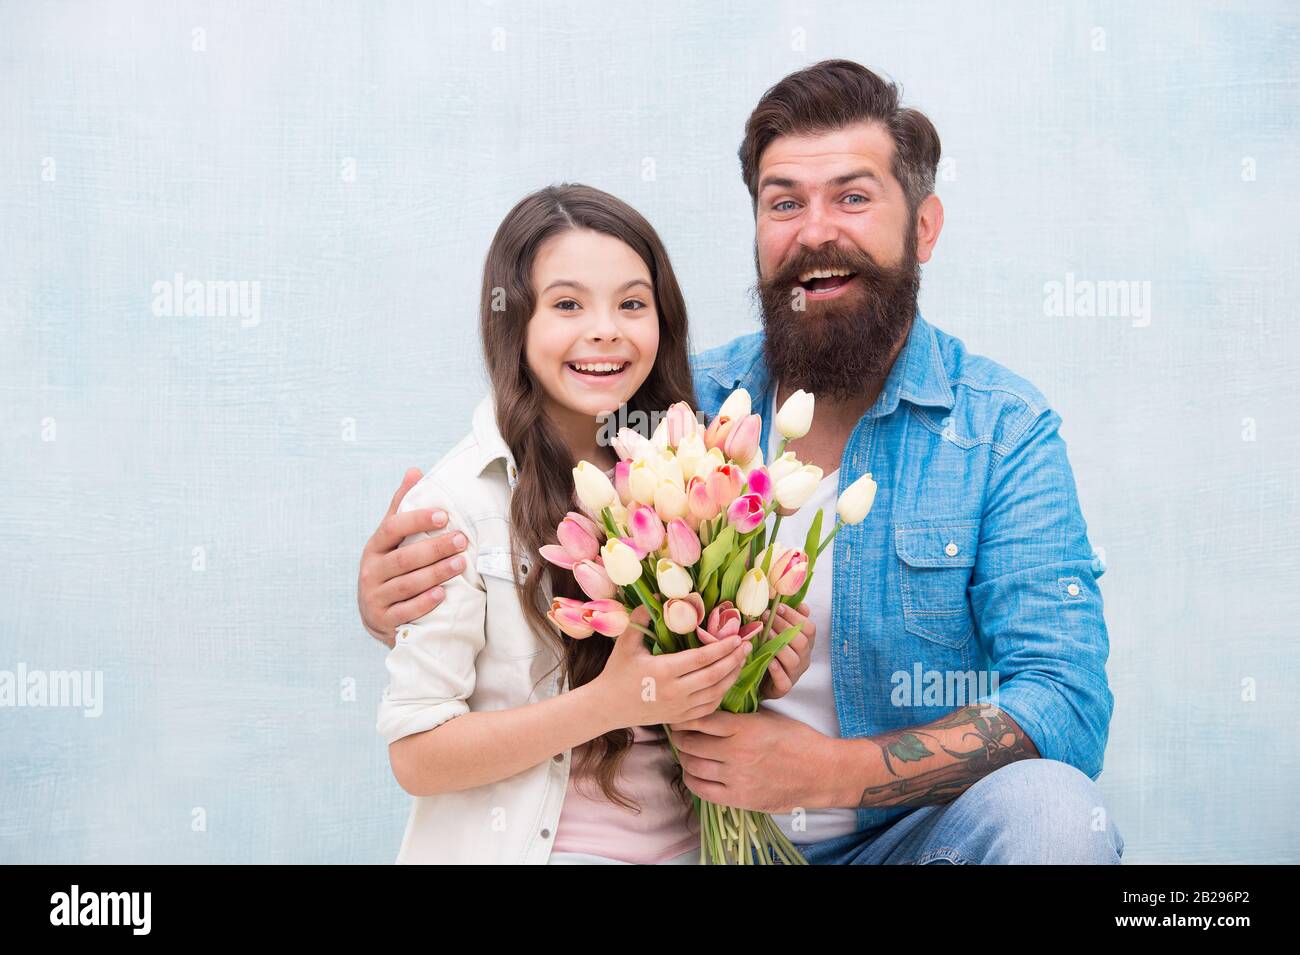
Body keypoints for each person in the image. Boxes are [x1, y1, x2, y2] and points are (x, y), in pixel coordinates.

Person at [362, 60, 1123, 864]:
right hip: (704, 846)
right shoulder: (674, 403)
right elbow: (529, 523)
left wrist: (832, 772)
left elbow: (1065, 700)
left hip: (909, 844)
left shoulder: (1000, 432)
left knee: (1056, 814)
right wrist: (401, 595)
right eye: (784, 202)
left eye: (854, 197)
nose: (816, 230)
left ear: (925, 226)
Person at [375, 182, 814, 864]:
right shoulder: (458, 501)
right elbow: (417, 752)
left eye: (632, 304)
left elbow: (687, 700)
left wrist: (750, 664)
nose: (605, 328)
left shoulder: (694, 470)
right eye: (568, 304)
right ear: (513, 320)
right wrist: (608, 703)